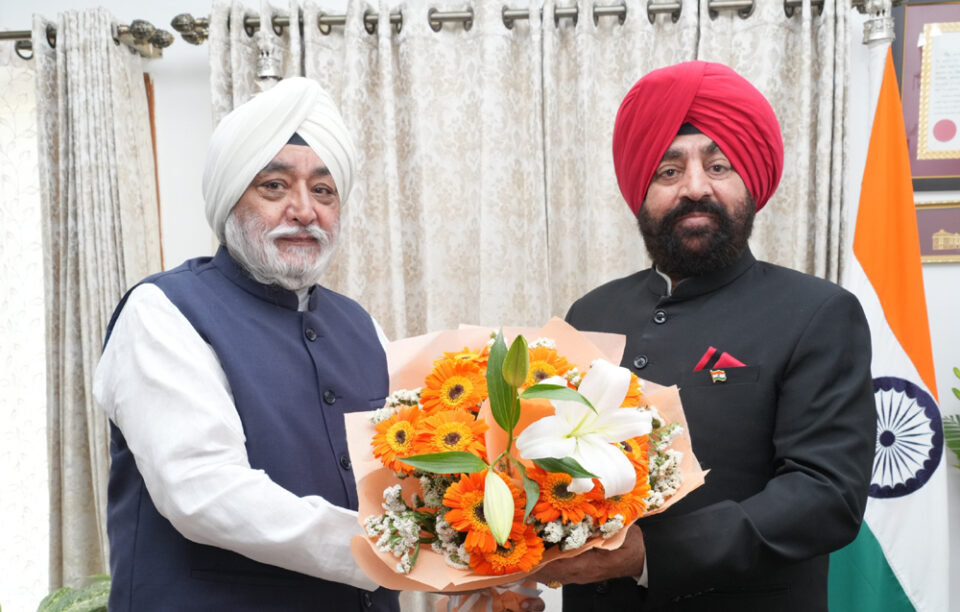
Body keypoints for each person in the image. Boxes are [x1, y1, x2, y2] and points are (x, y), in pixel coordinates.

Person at [534, 61, 876, 611]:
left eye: (718, 166)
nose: (695, 187)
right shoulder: (591, 311)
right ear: (641, 191)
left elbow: (825, 494)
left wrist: (647, 556)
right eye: (669, 171)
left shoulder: (817, 312)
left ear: (750, 182)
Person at [93, 77, 400, 611]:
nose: (304, 210)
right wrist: (394, 552)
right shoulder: (163, 311)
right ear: (231, 197)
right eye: (275, 186)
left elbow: (407, 476)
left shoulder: (362, 326)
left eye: (323, 191)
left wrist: (479, 562)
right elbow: (204, 491)